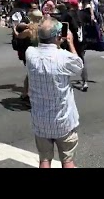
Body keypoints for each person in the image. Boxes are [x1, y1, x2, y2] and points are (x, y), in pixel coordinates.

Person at [25, 18, 84, 168]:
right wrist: (70, 42)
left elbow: (36, 44)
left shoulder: (30, 53)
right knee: (67, 160)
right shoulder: (63, 57)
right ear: (59, 36)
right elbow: (79, 66)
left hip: (40, 120)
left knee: (44, 159)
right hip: (63, 120)